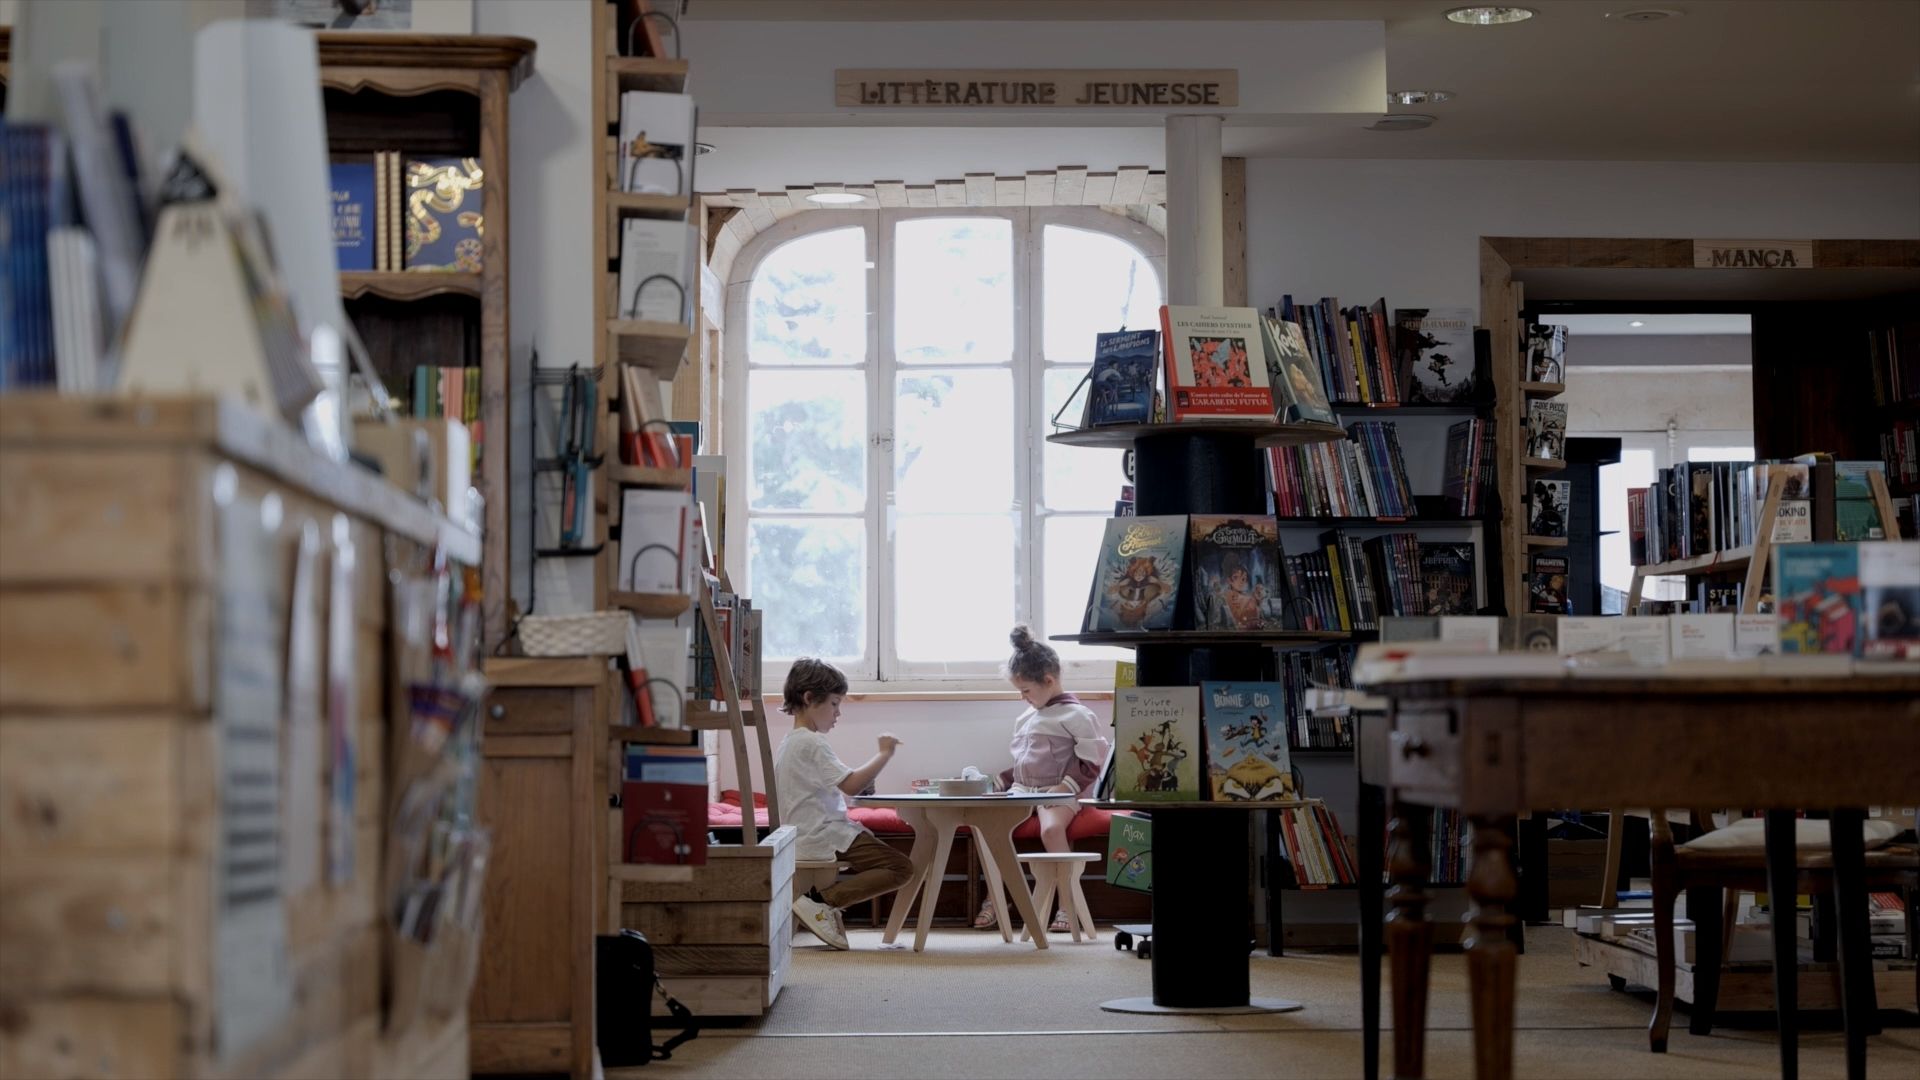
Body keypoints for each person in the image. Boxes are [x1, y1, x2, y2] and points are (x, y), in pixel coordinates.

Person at [972, 627, 1113, 933]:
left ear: (1048, 681)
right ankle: (996, 898)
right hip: (1023, 790)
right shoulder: (1027, 717)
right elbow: (1025, 763)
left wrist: (1065, 787)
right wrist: (999, 782)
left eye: (1026, 690)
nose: (1023, 698)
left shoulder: (1077, 715)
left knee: (1051, 829)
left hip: (1059, 790)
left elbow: (1092, 760)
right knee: (989, 829)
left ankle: (1066, 904)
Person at [774, 658, 913, 950]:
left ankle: (821, 904)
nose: (839, 713)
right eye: (835, 703)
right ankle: (822, 902)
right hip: (822, 835)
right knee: (901, 868)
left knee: (879, 849)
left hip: (805, 833)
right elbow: (850, 784)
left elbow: (844, 782)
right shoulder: (812, 742)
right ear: (810, 698)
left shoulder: (791, 741)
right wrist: (884, 754)